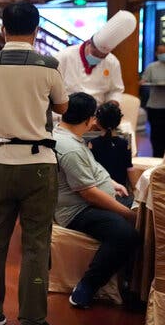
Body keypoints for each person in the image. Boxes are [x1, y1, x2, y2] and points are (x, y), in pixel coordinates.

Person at [0, 1, 69, 325]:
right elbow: (64, 107)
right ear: (36, 31)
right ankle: (32, 318)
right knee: (36, 245)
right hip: (38, 164)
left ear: (3, 29)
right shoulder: (49, 65)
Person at [53, 92, 140, 308]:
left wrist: (111, 183)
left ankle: (134, 282)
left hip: (91, 201)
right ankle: (87, 287)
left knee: (147, 212)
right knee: (125, 233)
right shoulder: (70, 148)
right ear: (88, 119)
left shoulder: (70, 137)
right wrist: (126, 213)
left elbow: (92, 169)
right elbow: (89, 193)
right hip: (78, 210)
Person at [55, 10, 136, 105]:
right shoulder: (64, 56)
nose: (98, 58)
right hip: (67, 112)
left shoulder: (112, 62)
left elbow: (116, 90)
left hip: (96, 113)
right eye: (96, 54)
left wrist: (112, 104)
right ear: (89, 43)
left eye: (103, 56)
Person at [88, 101, 134, 207]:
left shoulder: (92, 144)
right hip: (122, 192)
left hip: (101, 192)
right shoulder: (125, 143)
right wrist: (135, 190)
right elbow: (130, 169)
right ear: (119, 121)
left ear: (97, 122)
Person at [140, 44, 165, 158]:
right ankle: (156, 159)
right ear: (156, 53)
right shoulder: (151, 67)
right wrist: (143, 83)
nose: (162, 55)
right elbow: (143, 81)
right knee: (156, 135)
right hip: (155, 106)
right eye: (160, 52)